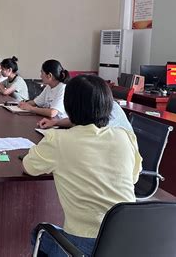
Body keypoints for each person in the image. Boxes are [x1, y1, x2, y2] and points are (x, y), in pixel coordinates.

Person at [23, 75, 142, 257]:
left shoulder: (59, 140)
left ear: (70, 106)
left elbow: (29, 167)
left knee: (40, 233)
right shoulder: (124, 136)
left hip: (85, 244)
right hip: (130, 239)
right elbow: (134, 177)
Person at [37, 101, 133, 132]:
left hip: (113, 167)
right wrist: (55, 122)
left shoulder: (110, 113)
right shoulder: (95, 105)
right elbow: (78, 120)